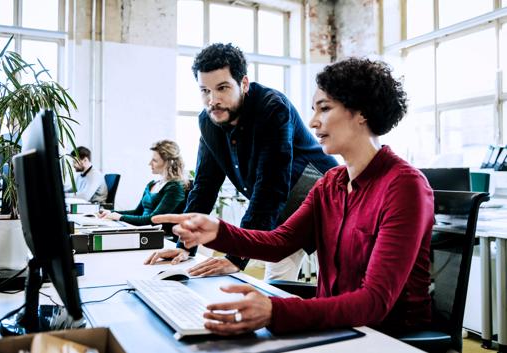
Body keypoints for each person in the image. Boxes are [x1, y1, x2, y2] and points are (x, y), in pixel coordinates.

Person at [152, 58, 434, 336]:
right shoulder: (331, 183)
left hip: (388, 337)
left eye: (324, 109)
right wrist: (216, 232)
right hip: (338, 328)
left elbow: (374, 302)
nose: (312, 122)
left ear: (361, 112)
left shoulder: (404, 186)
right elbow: (280, 242)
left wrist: (275, 311)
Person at [145, 43, 338, 280]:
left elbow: (270, 186)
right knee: (276, 289)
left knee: (342, 284)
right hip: (279, 216)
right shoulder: (209, 121)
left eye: (222, 88)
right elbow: (205, 185)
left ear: (244, 84)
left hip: (326, 203)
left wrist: (235, 257)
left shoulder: (271, 107)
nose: (212, 100)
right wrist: (184, 246)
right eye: (204, 90)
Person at [99, 140, 186, 226]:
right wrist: (111, 212)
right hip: (143, 229)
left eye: (154, 160)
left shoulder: (175, 188)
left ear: (168, 163)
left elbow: (152, 219)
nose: (149, 163)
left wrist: (119, 217)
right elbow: (138, 212)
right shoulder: (152, 184)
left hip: (158, 235)